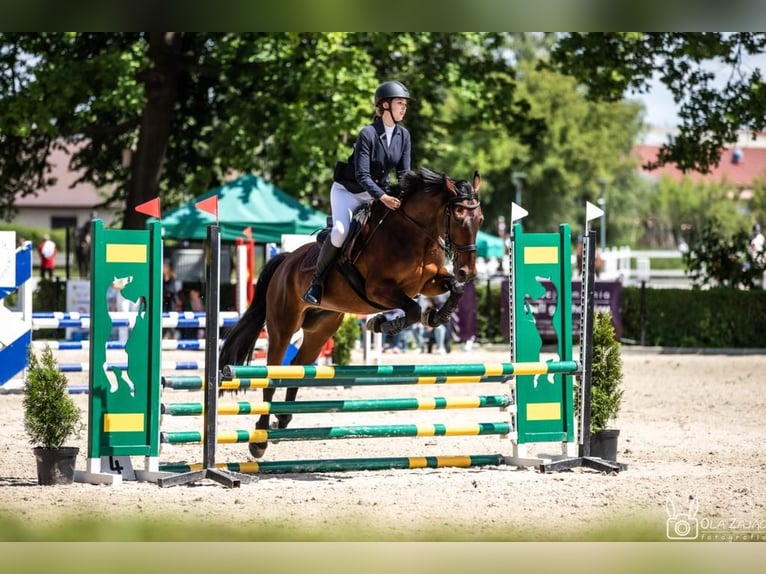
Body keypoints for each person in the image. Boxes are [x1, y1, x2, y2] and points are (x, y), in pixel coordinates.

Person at [302, 80, 413, 305]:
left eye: (405, 104)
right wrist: (382, 197)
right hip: (349, 191)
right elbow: (362, 175)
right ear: (384, 106)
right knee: (341, 232)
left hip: (377, 193)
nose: (404, 108)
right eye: (400, 103)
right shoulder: (368, 134)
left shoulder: (404, 136)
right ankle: (316, 282)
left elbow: (404, 174)